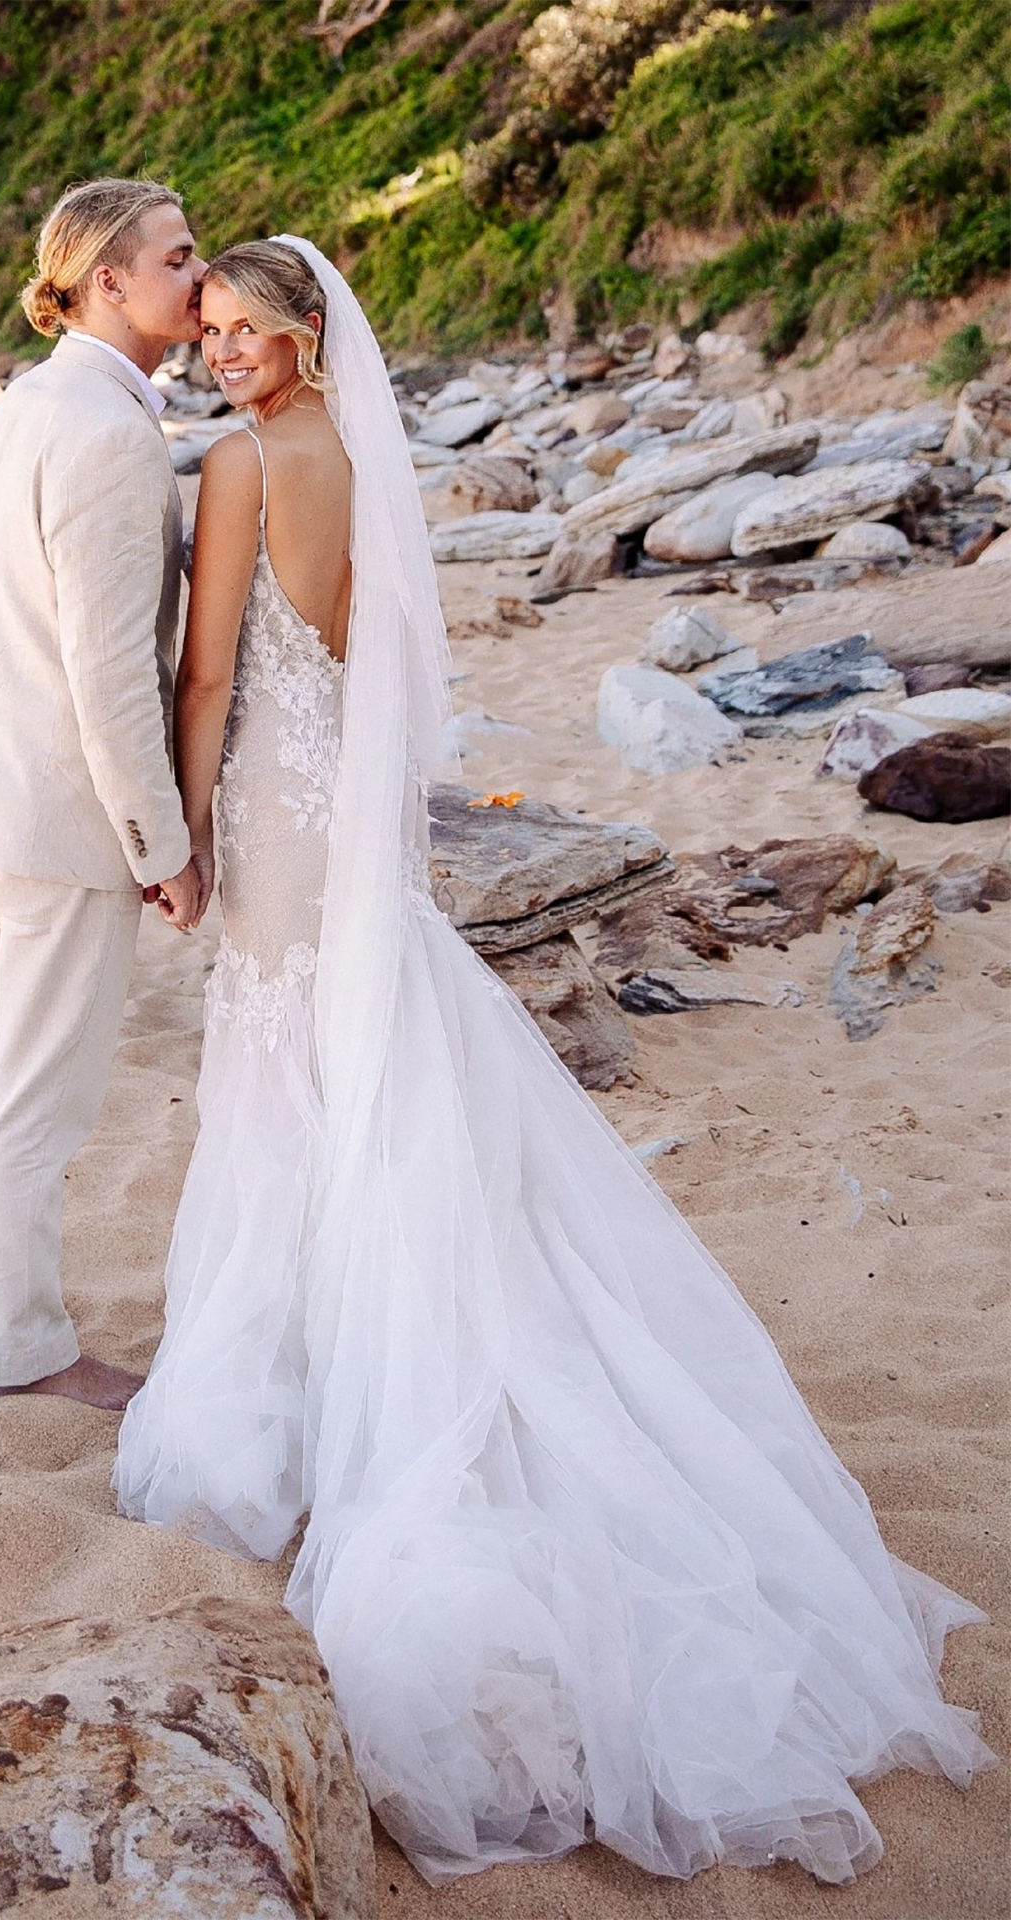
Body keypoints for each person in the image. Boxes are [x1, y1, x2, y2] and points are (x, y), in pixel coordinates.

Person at [113, 238, 994, 1885]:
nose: (221, 353)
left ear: (306, 336)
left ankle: (302, 1384)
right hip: (356, 821)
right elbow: (378, 666)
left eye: (245, 330)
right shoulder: (364, 459)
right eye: (209, 330)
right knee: (361, 1059)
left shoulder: (239, 465)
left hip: (283, 821)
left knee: (289, 1071)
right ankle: (346, 1331)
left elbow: (217, 668)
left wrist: (175, 829)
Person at [0, 179, 210, 1411]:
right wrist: (161, 838)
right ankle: (26, 1347)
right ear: (108, 283)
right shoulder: (103, 431)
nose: (201, 276)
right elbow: (107, 668)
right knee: (36, 1096)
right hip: (56, 815)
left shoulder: (28, 405)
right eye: (180, 257)